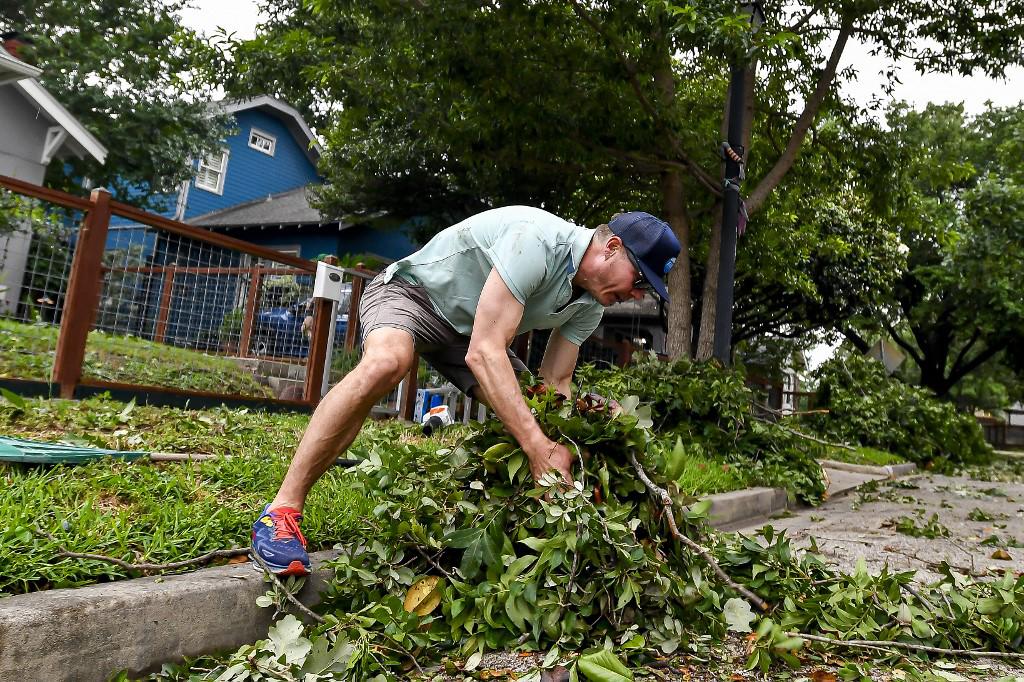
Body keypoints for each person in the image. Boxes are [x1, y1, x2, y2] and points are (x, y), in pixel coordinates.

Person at [251, 206, 681, 575]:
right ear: (612, 248)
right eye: (638, 279)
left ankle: (518, 521)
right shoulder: (538, 242)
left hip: (469, 331)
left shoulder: (590, 303)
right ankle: (281, 513)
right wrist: (538, 448)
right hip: (414, 296)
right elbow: (485, 353)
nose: (635, 294)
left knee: (531, 406)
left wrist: (587, 430)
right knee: (389, 362)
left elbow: (555, 384)